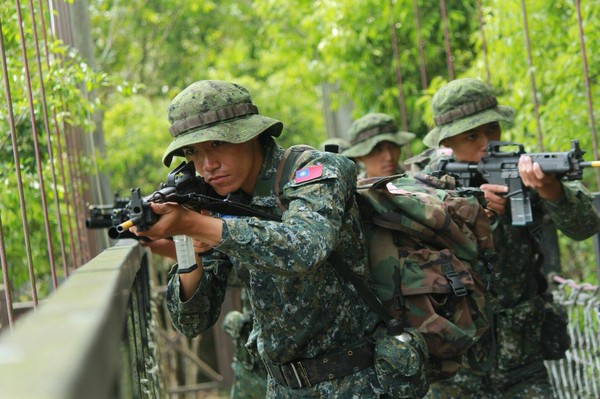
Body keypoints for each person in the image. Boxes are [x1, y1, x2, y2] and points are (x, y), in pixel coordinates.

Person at [131, 80, 427, 397]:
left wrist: (196, 224)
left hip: (357, 381)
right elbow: (193, 320)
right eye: (193, 153)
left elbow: (304, 246)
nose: (207, 165)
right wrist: (186, 241)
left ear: (251, 135)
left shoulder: (314, 171)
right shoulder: (221, 203)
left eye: (217, 144)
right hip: (283, 387)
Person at [421, 78, 600, 398]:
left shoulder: (523, 169)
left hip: (522, 355)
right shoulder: (426, 187)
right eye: (472, 135)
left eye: (492, 129)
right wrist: (466, 207)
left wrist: (552, 191)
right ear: (446, 141)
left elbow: (585, 226)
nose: (486, 142)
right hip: (455, 364)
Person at [341, 112, 415, 178]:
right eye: (378, 150)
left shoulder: (418, 184)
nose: (389, 157)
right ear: (359, 156)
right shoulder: (352, 192)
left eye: (393, 146)